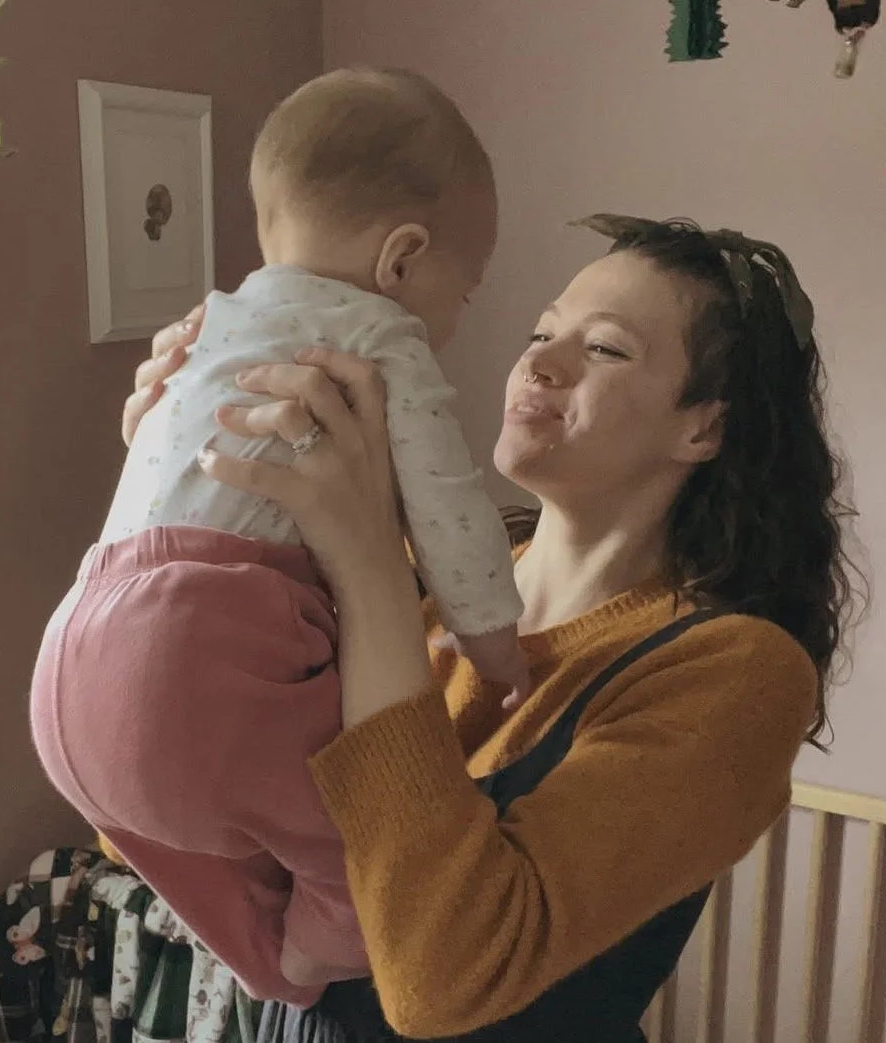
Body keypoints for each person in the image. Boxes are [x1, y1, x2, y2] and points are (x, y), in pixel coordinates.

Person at [119, 214, 862, 1042]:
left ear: (705, 426)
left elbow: (441, 978)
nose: (540, 362)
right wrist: (173, 486)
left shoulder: (736, 672)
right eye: (542, 332)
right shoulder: (413, 575)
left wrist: (366, 570)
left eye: (605, 348)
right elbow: (158, 803)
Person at [30, 68, 530, 1008]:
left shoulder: (208, 325)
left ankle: (264, 963)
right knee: (365, 849)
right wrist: (495, 644)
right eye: (467, 289)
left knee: (178, 826)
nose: (462, 315)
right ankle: (298, 962)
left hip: (74, 650)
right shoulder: (379, 338)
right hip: (200, 650)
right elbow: (450, 511)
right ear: (403, 258)